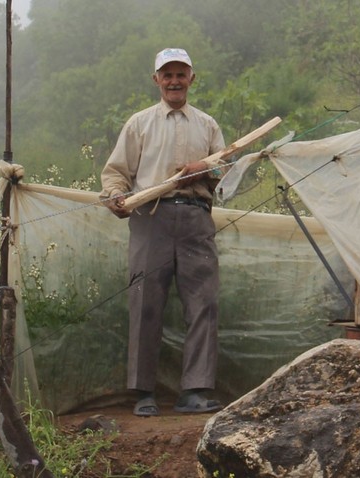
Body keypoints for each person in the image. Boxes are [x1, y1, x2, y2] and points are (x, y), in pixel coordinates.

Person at [100, 48, 226, 417]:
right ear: (156, 79)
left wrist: (205, 168)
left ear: (191, 78)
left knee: (203, 302)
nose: (174, 81)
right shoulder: (139, 124)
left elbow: (228, 170)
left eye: (180, 74)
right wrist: (116, 196)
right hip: (149, 217)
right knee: (145, 301)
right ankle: (143, 393)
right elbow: (115, 173)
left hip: (196, 219)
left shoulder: (207, 125)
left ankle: (196, 391)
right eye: (167, 75)